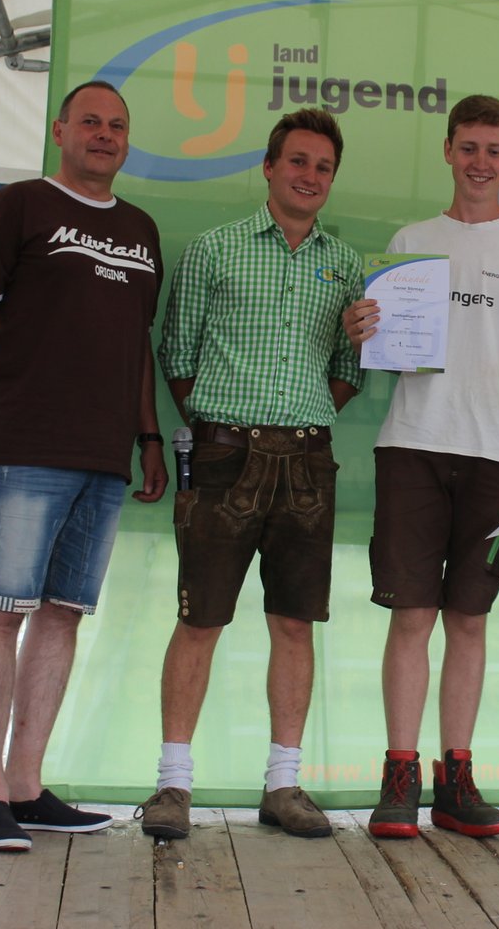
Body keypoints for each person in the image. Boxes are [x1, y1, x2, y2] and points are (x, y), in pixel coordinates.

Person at [0, 81, 166, 852]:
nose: (104, 134)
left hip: (105, 456)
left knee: (62, 613)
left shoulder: (141, 230)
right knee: (0, 609)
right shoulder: (19, 205)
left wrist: (149, 437)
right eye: (90, 121)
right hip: (26, 444)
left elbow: (136, 348)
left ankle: (28, 786)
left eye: (117, 125)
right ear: (60, 130)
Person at [344, 94, 499, 838]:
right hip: (412, 444)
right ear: (447, 151)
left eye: (493, 150)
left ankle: (456, 782)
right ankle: (399, 777)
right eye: (468, 147)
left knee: (468, 620)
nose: (480, 162)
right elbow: (389, 353)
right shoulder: (411, 240)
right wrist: (366, 329)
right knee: (412, 616)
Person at [135, 109, 364, 842]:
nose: (309, 176)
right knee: (200, 618)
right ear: (268, 167)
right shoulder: (215, 248)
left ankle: (282, 785)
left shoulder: (347, 265)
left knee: (294, 623)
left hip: (308, 460)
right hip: (223, 453)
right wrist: (227, 430)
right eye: (297, 161)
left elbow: (349, 371)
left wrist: (294, 420)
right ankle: (172, 785)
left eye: (323, 166)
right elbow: (177, 357)